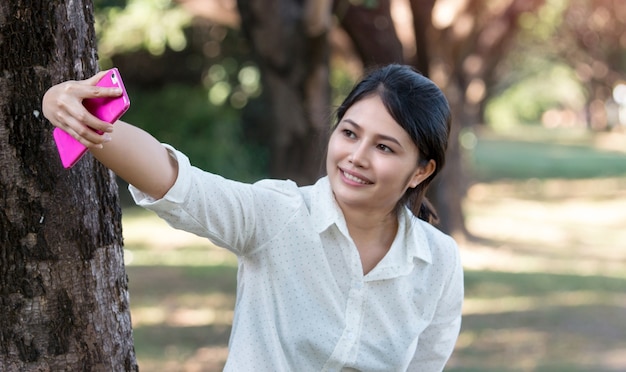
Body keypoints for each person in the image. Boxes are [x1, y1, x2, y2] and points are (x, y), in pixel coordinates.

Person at [42, 64, 463, 371]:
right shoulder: (278, 215)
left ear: (422, 170)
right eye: (350, 133)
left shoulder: (439, 263)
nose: (356, 157)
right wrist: (69, 109)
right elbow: (176, 180)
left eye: (384, 148)